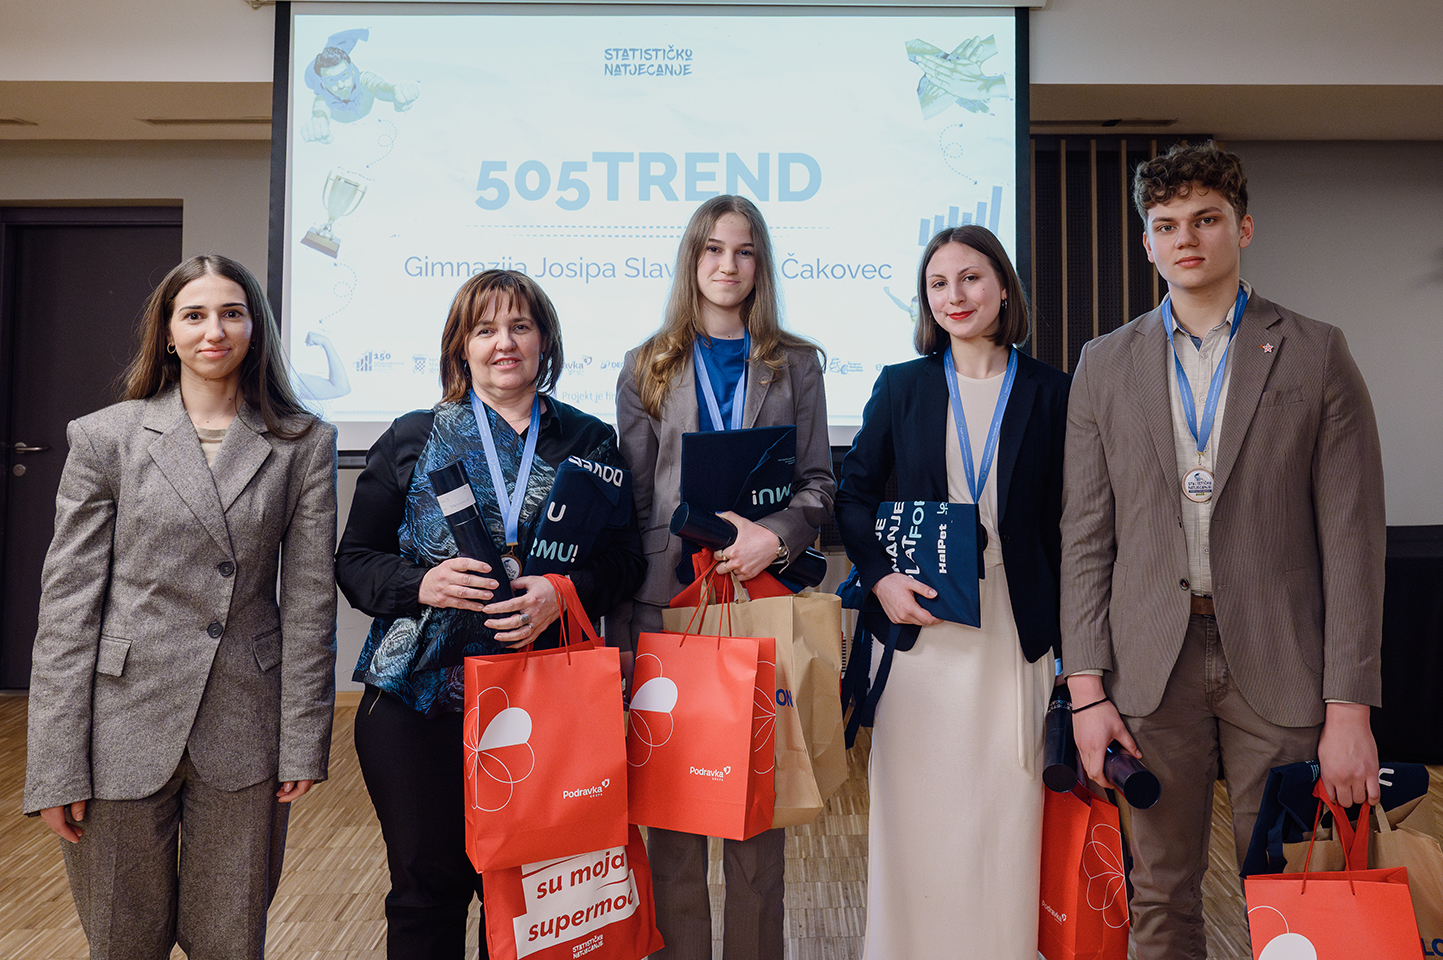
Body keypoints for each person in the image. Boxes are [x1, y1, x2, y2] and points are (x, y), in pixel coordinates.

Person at [1061, 141, 1385, 958]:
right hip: (1147, 666)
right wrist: (1085, 691)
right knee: (1158, 894)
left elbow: (1351, 542)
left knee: (1291, 896)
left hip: (1280, 661)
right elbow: (1086, 538)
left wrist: (1349, 708)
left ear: (1242, 228)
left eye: (1204, 219)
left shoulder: (1314, 351)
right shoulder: (1102, 364)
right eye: (1165, 225)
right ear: (1146, 243)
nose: (1185, 239)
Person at [23, 254, 339, 960]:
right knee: (122, 942)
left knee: (230, 942)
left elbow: (310, 604)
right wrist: (55, 763)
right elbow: (67, 609)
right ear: (167, 333)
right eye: (194, 315)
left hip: (245, 721)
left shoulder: (302, 443)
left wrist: (303, 740)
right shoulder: (106, 437)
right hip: (120, 723)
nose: (213, 331)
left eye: (231, 313)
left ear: (255, 329)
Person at [336, 269, 644, 960]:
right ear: (461, 346)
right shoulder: (412, 437)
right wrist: (422, 583)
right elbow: (353, 561)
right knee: (425, 894)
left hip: (546, 701)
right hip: (418, 703)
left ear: (544, 341)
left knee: (533, 900)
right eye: (485, 330)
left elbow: (625, 562)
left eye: (519, 327)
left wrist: (561, 593)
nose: (503, 343)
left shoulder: (590, 441)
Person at [835, 225, 1069, 959]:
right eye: (938, 284)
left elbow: (1071, 522)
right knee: (919, 812)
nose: (954, 296)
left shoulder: (1052, 390)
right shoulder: (902, 386)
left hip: (1013, 627)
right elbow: (852, 497)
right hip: (920, 626)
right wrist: (880, 579)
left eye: (970, 278)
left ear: (1002, 286)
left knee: (1005, 808)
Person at [615, 194, 834, 960]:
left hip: (758, 602)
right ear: (692, 259)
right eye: (712, 249)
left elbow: (818, 484)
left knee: (754, 814)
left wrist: (776, 537)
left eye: (743, 251)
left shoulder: (796, 363)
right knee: (674, 818)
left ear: (759, 264)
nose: (727, 265)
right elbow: (633, 502)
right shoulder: (646, 364)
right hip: (667, 606)